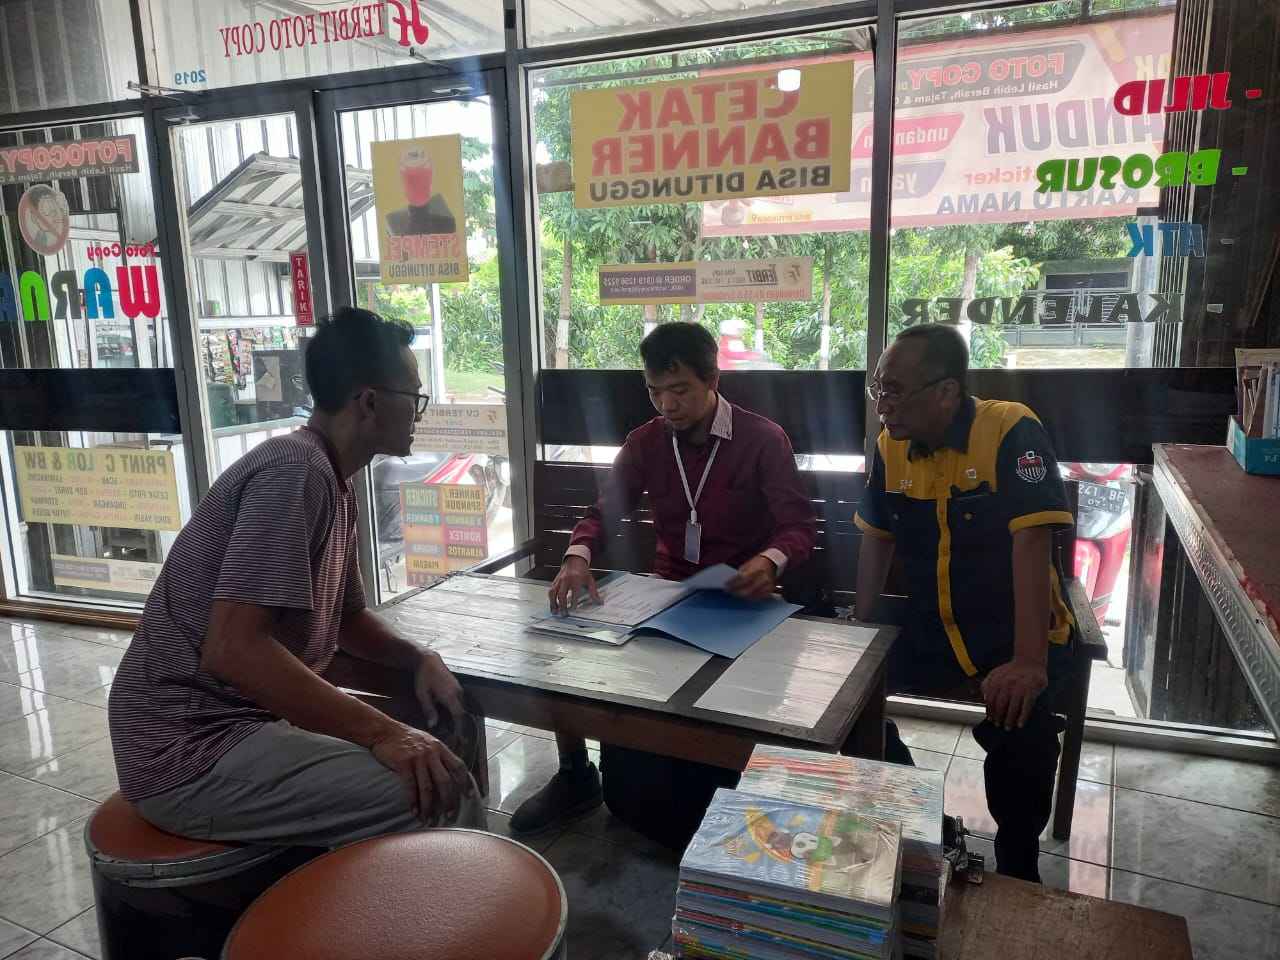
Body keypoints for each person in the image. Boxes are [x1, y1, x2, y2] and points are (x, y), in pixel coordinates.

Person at [109, 307, 487, 847]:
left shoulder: (331, 477)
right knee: (443, 791)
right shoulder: (295, 471)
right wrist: (383, 734)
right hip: (188, 745)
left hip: (242, 723)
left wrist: (418, 657)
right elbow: (234, 650)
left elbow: (349, 619)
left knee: (445, 722)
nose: (418, 412)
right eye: (414, 396)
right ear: (370, 402)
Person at [510, 321, 817, 836]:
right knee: (564, 641)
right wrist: (577, 556)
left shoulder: (762, 439)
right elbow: (605, 510)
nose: (667, 405)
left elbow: (798, 526)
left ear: (712, 380)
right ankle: (576, 775)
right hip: (669, 600)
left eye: (680, 390)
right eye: (655, 392)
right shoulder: (647, 442)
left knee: (720, 717)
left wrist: (768, 562)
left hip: (741, 601)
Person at [853, 324, 1076, 883]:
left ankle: (1018, 866)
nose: (883, 404)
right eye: (879, 388)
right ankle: (924, 820)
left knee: (1022, 728)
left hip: (1010, 629)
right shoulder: (890, 445)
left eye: (895, 390)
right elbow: (877, 537)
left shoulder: (1009, 430)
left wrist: (1027, 661)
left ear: (947, 392)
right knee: (844, 699)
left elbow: (1033, 543)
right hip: (931, 624)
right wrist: (858, 626)